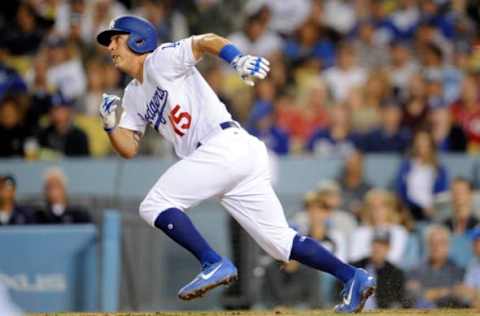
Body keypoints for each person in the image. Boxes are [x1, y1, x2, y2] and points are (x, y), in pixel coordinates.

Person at [96, 15, 375, 312]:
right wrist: (111, 126)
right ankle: (353, 276)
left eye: (116, 38)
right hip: (231, 155)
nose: (110, 46)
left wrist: (237, 59)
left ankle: (212, 261)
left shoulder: (160, 60)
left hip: (222, 145)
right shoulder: (133, 94)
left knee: (153, 204)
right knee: (279, 243)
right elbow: (129, 148)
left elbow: (206, 41)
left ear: (138, 39)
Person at [406, 224, 466, 308]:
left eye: (441, 243)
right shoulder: (416, 270)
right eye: (432, 243)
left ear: (448, 245)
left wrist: (430, 293)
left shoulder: (458, 270)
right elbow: (412, 295)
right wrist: (446, 291)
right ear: (427, 245)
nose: (436, 247)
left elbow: (460, 295)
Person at [350, 230, 407, 309]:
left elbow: (399, 299)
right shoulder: (355, 267)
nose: (377, 248)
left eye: (382, 245)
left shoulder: (395, 273)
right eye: (375, 244)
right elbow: (340, 290)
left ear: (388, 248)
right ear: (371, 245)